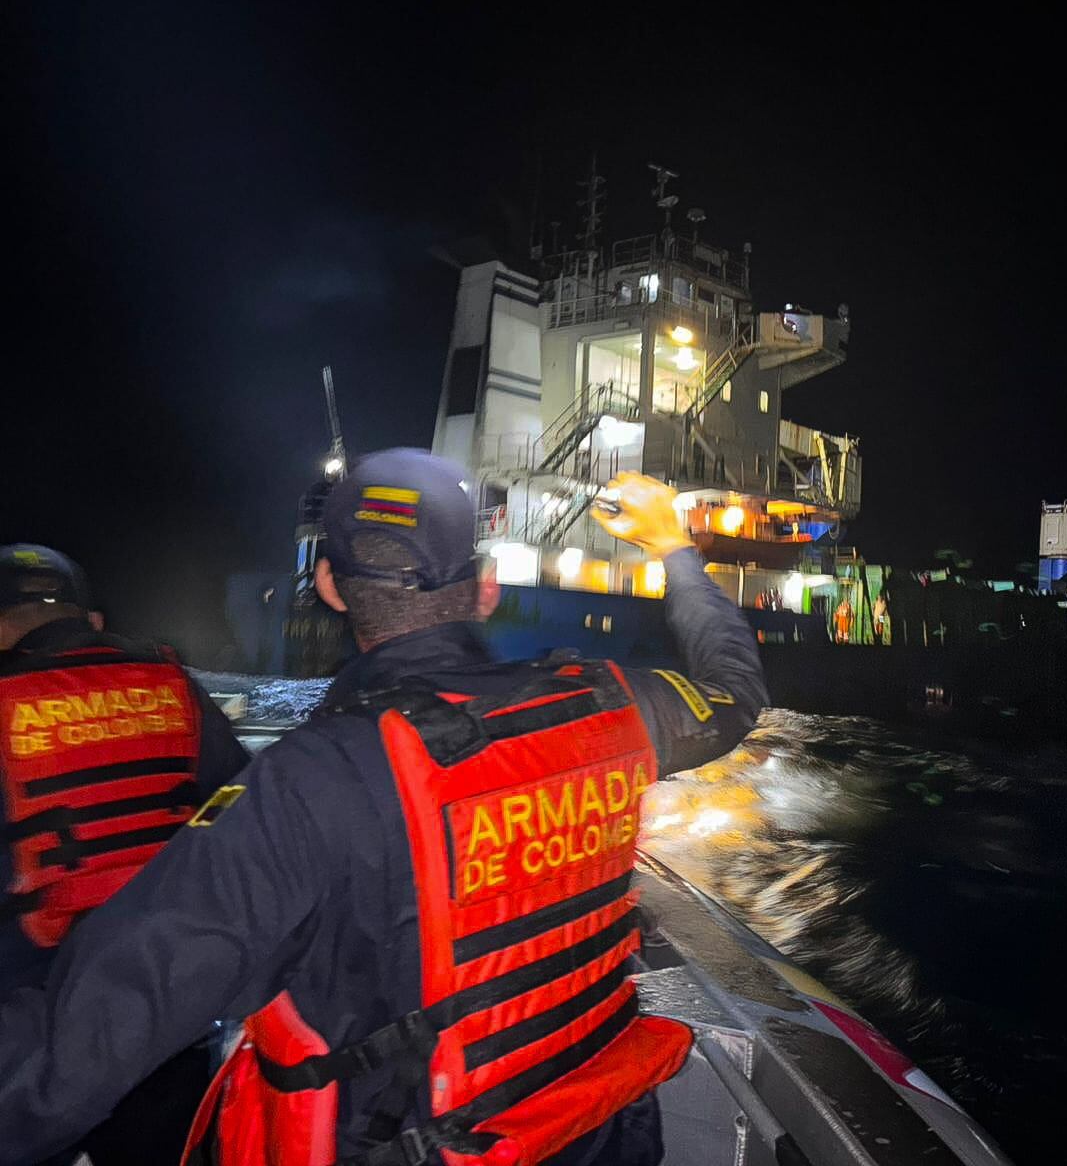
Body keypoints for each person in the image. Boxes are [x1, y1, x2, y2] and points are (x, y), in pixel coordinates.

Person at [0, 453, 768, 1166]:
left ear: (330, 586)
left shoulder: (311, 780)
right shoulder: (615, 704)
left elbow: (83, 1043)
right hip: (599, 1132)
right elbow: (736, 690)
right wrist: (672, 546)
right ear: (486, 586)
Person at [0, 543, 250, 1165]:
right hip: (164, 996)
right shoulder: (171, 681)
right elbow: (238, 805)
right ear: (93, 620)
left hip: (35, 1013)